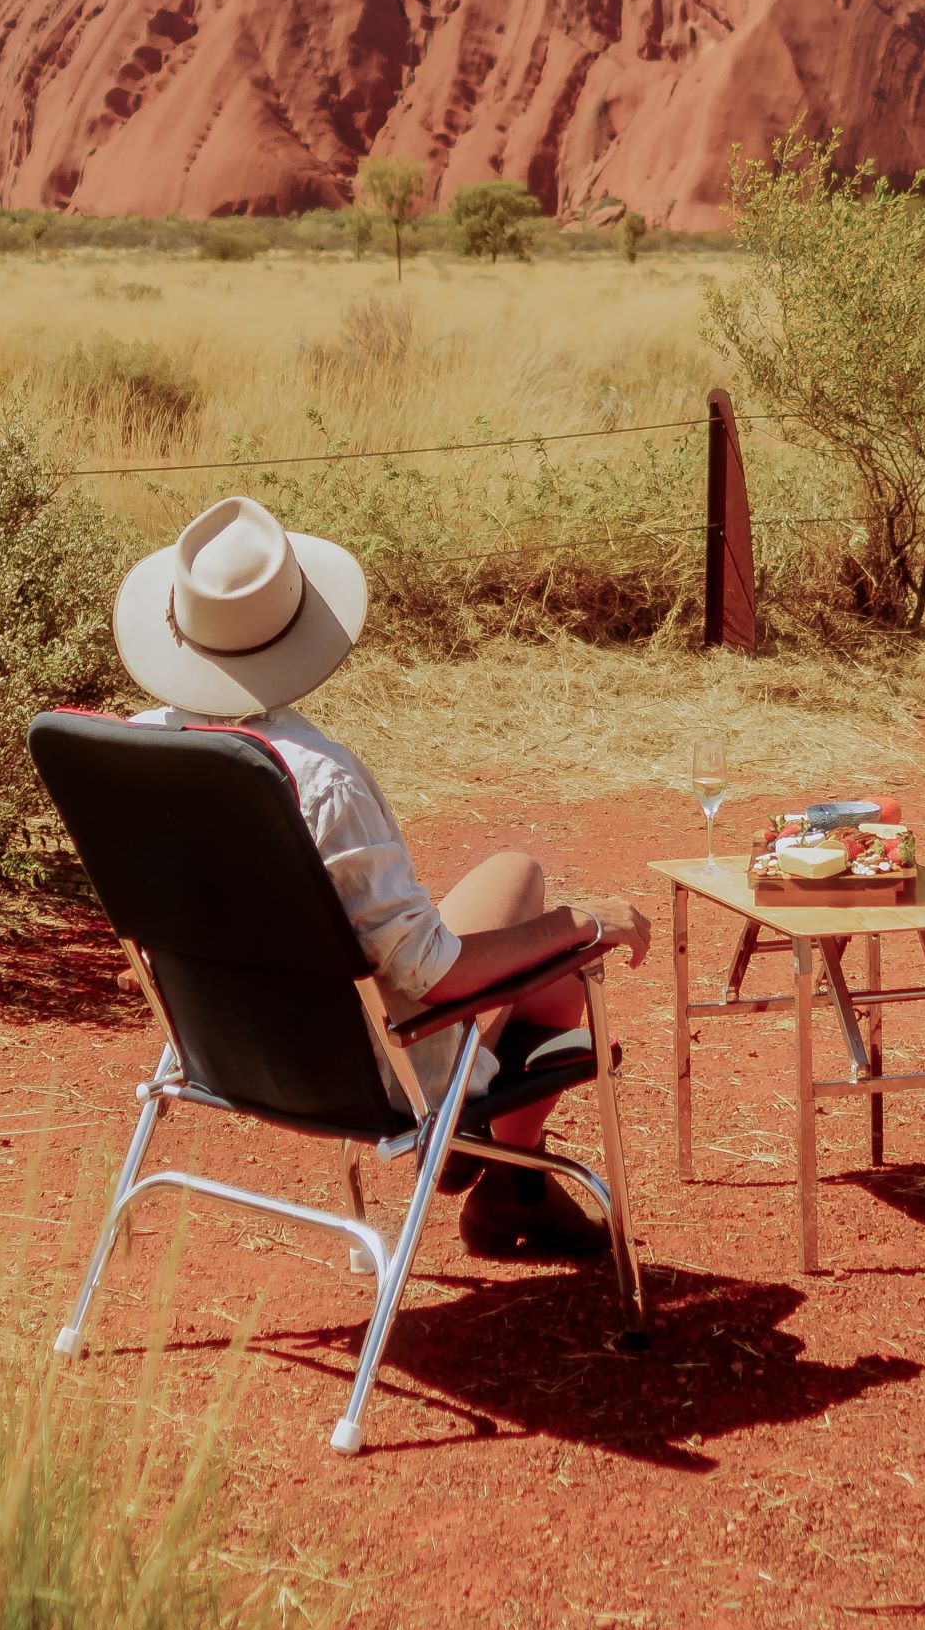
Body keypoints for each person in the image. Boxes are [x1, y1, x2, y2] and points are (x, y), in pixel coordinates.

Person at [115, 493, 652, 1259]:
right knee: (564, 978)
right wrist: (585, 922)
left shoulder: (131, 751)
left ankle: (512, 1188)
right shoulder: (315, 775)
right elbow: (431, 975)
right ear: (298, 624)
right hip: (376, 1065)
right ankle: (505, 1169)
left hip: (218, 1046)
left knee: (516, 872)